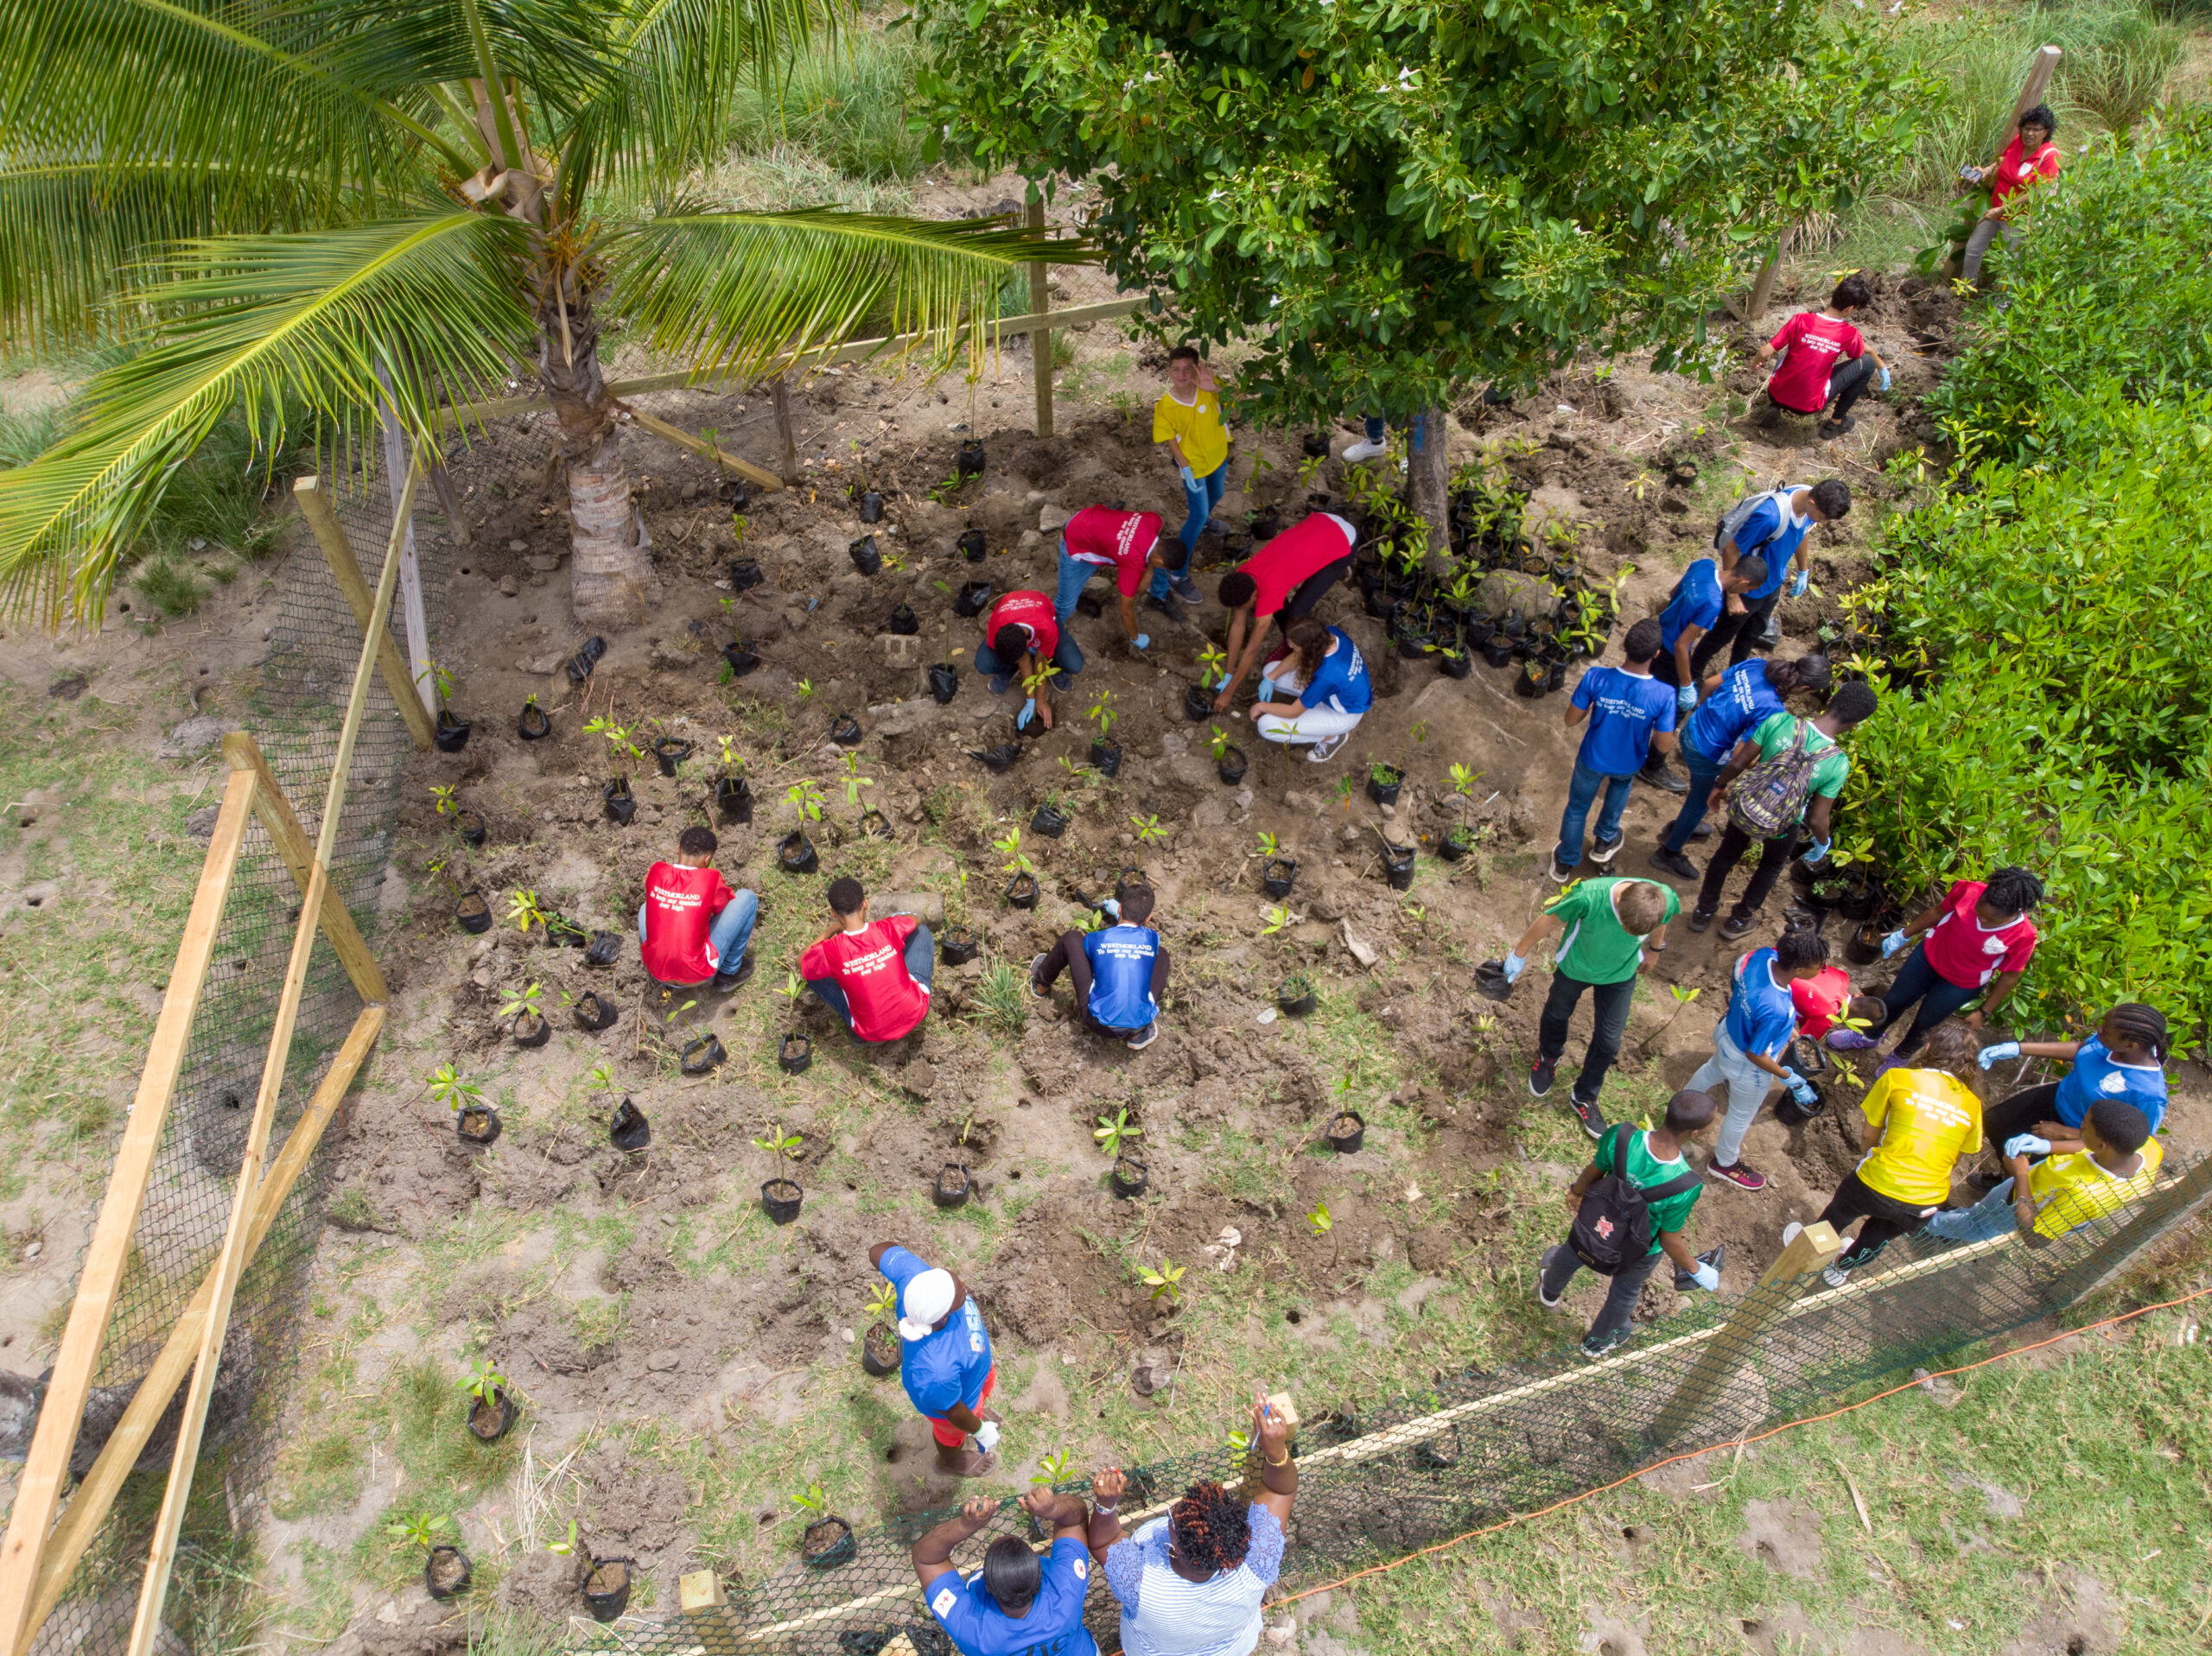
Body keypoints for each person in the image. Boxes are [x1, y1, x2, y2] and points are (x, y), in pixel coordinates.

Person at [1091, 1393, 1295, 1656]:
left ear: (1175, 1545)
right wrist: (1276, 1452)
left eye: (1172, 1517)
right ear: (1241, 1535)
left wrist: (1105, 1505)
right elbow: (1279, 1491)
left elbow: (1104, 1541)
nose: (1174, 1509)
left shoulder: (1140, 1584)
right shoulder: (1256, 1562)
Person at [1791, 1023, 1986, 1285]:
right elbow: (1956, 1158)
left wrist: (1871, 1160)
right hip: (1924, 1203)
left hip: (1877, 1181)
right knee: (1878, 1237)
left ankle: (1803, 1256)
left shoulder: (1899, 1079)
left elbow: (1869, 1136)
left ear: (1928, 1048)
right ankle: (1841, 1268)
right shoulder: (1973, 1105)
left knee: (1838, 1215)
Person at [1688, 678, 1878, 940]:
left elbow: (1740, 761)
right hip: (1783, 823)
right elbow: (1818, 819)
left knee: (1726, 855)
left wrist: (1720, 785)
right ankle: (1739, 919)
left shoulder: (1780, 721)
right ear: (1855, 724)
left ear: (1831, 701)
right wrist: (1823, 842)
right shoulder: (1837, 764)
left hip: (1748, 806)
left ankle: (1704, 911)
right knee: (1770, 866)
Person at [1539, 1088, 1723, 1358]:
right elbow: (1669, 1239)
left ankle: (1549, 1291)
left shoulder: (1623, 1137)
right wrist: (1697, 1270)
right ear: (1695, 1133)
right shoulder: (1685, 1185)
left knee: (1571, 1251)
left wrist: (1577, 1192)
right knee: (1625, 1293)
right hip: (1639, 1249)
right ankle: (1597, 1343)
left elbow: (1594, 1169)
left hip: (1598, 1222)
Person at [1504, 875, 1678, 1138]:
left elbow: (1662, 921)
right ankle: (1548, 1058)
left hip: (1620, 974)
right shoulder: (1589, 896)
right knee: (1557, 1013)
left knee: (1609, 1042)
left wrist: (1654, 949)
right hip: (1576, 967)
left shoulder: (1664, 897)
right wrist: (1519, 953)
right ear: (1619, 901)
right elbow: (1550, 919)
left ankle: (1584, 1095)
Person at [1649, 654, 1832, 882]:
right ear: (1805, 688)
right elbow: (1739, 758)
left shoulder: (1758, 664)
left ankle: (1681, 827)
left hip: (1691, 728)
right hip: (1708, 752)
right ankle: (1668, 853)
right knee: (1701, 801)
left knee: (1697, 795)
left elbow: (1709, 684)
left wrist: (1698, 713)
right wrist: (1726, 781)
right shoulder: (1772, 710)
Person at [1689, 927, 1832, 1192]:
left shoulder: (1764, 957)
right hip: (1746, 1064)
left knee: (1711, 1070)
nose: (1820, 970)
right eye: (1818, 966)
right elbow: (1755, 1054)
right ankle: (1724, 1162)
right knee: (1741, 1113)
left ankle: (1682, 1108)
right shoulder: (1777, 1009)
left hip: (1727, 1033)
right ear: (1800, 969)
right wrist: (1790, 1077)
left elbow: (1740, 979)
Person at [1925, 1100, 2161, 1248]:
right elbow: (2089, 1149)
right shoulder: (2147, 1148)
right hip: (2036, 1185)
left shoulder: (2085, 1196)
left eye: (2084, 1127)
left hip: (2018, 1206)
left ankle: (1928, 1224)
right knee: (1977, 1213)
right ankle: (1956, 1219)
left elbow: (2035, 1238)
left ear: (2103, 1145)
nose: (2077, 1129)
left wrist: (2020, 1175)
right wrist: (2046, 1147)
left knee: (1978, 1225)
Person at [1549, 617, 1677, 884]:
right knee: (1618, 793)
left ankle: (1565, 862)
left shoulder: (1597, 676)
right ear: (1656, 654)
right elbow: (1663, 745)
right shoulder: (1664, 694)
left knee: (1577, 809)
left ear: (1623, 644)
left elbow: (1571, 720)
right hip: (1628, 763)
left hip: (1592, 758)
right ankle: (1603, 845)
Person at [1867, 866, 2043, 1060]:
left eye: (1991, 920)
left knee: (1926, 1023)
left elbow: (2010, 976)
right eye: (1979, 913)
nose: (1982, 920)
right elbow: (1937, 912)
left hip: (1960, 984)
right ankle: (1869, 1036)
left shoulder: (2024, 935)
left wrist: (1984, 1012)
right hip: (1928, 958)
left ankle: (1899, 1057)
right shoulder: (1969, 891)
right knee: (1893, 1001)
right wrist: (1902, 935)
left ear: (2012, 913)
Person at [1974, 1003, 2167, 1177]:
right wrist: (2017, 1048)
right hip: (2057, 1098)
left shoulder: (2149, 1093)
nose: (2098, 1030)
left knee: (2033, 1175)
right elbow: (2081, 1049)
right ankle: (2005, 1177)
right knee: (1996, 1122)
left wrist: (2067, 1134)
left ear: (2131, 1045)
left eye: (2105, 1030)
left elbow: (2126, 1143)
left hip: (2084, 1131)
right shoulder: (2109, 1042)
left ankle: (2009, 1195)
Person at [1692, 480, 1852, 677]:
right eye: (1823, 517)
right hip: (1747, 588)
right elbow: (1731, 550)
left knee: (1751, 634)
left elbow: (1802, 533)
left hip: (1772, 584)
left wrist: (1803, 571)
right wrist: (1733, 595)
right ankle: (1692, 674)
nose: (1823, 522)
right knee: (1720, 636)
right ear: (1812, 502)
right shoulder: (1770, 517)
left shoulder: (1809, 504)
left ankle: (1734, 674)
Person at [913, 1489, 1100, 1656]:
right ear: (1040, 1577)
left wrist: (964, 1525)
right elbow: (1075, 1520)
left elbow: (927, 1559)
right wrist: (1052, 1508)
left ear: (987, 1587)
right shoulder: (1066, 1589)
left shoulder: (972, 1629)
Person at [1640, 554, 1768, 791]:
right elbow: (1681, 645)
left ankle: (1635, 736)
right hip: (1671, 652)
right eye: (1750, 590)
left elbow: (1673, 593)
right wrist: (1687, 685)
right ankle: (1652, 766)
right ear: (1743, 583)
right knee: (1674, 711)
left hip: (1658, 636)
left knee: (1648, 692)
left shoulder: (1704, 565)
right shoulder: (1712, 604)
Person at [871, 1240, 998, 1475]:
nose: (962, 1287)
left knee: (976, 1403)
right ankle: (949, 1461)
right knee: (951, 1432)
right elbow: (954, 1411)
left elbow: (877, 1252)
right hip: (958, 1405)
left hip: (973, 1376)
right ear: (941, 1318)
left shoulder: (916, 1278)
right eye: (957, 1292)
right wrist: (980, 1430)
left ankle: (977, 1413)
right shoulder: (934, 1369)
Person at [1211, 512, 1358, 712]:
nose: (1241, 612)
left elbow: (1252, 649)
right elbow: (1238, 624)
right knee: (1278, 608)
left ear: (1254, 596)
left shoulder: (1269, 589)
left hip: (1343, 542)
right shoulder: (1243, 576)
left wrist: (1228, 693)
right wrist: (1228, 673)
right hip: (1320, 525)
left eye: (1244, 607)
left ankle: (1298, 645)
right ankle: (1288, 639)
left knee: (1297, 613)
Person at [1031, 880, 1172, 1050]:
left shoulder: (1098, 938)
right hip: (1137, 1023)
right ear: (1148, 918)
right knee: (1162, 955)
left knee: (1071, 939)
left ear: (1119, 909)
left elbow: (1087, 949)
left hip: (1097, 1022)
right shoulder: (1152, 938)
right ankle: (1138, 1034)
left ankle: (1041, 985)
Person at [1756, 274, 1893, 441]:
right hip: (1808, 406)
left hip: (1775, 394)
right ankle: (1835, 423)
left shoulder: (1801, 319)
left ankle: (1776, 406)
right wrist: (1881, 366)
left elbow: (1764, 352)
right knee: (1868, 364)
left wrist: (1753, 363)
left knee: (1791, 353)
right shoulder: (1849, 333)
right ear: (1850, 309)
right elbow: (1859, 355)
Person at [799, 878, 932, 1044]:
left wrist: (829, 932)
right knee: (922, 933)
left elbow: (802, 961)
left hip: (871, 1032)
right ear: (865, 903)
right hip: (915, 1013)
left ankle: (860, 1030)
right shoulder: (888, 928)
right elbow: (916, 920)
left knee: (811, 973)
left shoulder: (830, 950)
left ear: (833, 913)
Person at [1153, 346, 1230, 606]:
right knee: (1195, 517)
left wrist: (1216, 390)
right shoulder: (1166, 405)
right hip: (1194, 466)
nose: (1182, 374)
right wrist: (1184, 468)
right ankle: (1178, 573)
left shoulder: (1210, 388)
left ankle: (1207, 520)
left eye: (1188, 368)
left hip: (1218, 456)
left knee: (1217, 493)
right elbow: (1170, 440)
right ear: (1169, 372)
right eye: (1176, 369)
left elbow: (1240, 400)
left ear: (1198, 368)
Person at [638, 826, 759, 990]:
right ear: (708, 859)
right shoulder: (711, 879)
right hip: (697, 974)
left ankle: (665, 961)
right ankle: (729, 973)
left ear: (677, 849)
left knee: (645, 907)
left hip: (657, 972)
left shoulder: (656, 871)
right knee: (747, 898)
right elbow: (722, 907)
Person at [1242, 616, 1370, 764]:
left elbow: (1293, 712)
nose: (1290, 646)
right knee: (1270, 670)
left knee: (1266, 726)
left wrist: (1261, 706)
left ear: (1309, 648)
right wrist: (1270, 678)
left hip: (1343, 713)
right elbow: (1298, 655)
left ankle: (1333, 737)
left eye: (1293, 644)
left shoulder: (1327, 675)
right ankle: (1312, 706)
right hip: (1338, 691)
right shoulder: (1330, 634)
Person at [1960, 105, 2061, 286]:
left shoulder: (2049, 157)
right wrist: (1986, 171)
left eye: (2036, 129)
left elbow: (2037, 192)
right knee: (1973, 248)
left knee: (2011, 263)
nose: (2030, 133)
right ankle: (1966, 288)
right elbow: (2003, 159)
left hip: (2020, 219)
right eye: (2026, 128)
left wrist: (2001, 210)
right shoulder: (2018, 142)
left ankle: (2001, 306)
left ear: (2046, 131)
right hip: (1996, 207)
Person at [1055, 504, 1173, 644]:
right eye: (1164, 567)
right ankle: (1039, 641)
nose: (1163, 569)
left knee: (1087, 569)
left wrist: (1151, 565)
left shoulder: (1154, 520)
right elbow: (1127, 609)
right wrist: (1135, 638)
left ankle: (1076, 591)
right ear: (1158, 559)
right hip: (1075, 543)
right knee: (1065, 606)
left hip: (1087, 518)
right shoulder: (1133, 564)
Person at [976, 588, 1081, 731]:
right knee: (983, 664)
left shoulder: (1046, 627)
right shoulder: (996, 626)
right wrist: (1030, 699)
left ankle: (1054, 666)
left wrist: (1041, 700)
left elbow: (1039, 660)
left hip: (1041, 612)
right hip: (1010, 611)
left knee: (1074, 664)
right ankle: (1009, 670)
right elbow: (1023, 659)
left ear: (1028, 643)